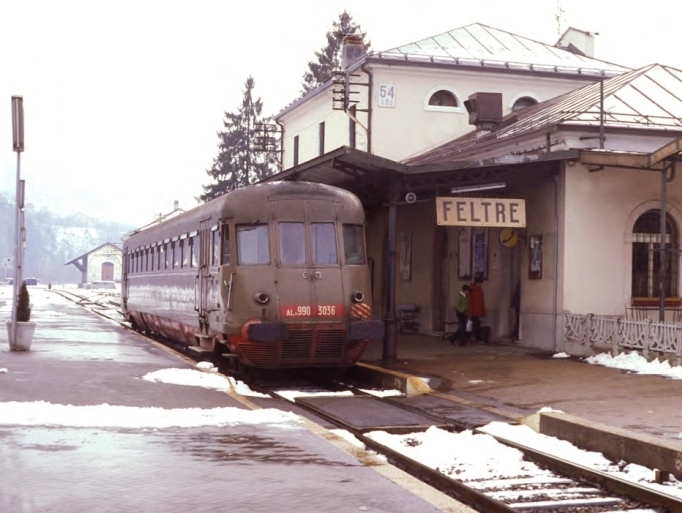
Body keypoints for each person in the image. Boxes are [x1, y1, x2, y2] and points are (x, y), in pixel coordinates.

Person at [468, 274, 486, 342]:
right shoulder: (472, 290)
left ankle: (475, 337)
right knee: (475, 325)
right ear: (477, 283)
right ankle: (476, 337)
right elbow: (469, 301)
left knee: (476, 325)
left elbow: (481, 302)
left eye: (481, 283)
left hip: (477, 312)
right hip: (473, 311)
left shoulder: (480, 290)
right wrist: (469, 311)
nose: (480, 284)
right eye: (480, 283)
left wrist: (483, 311)